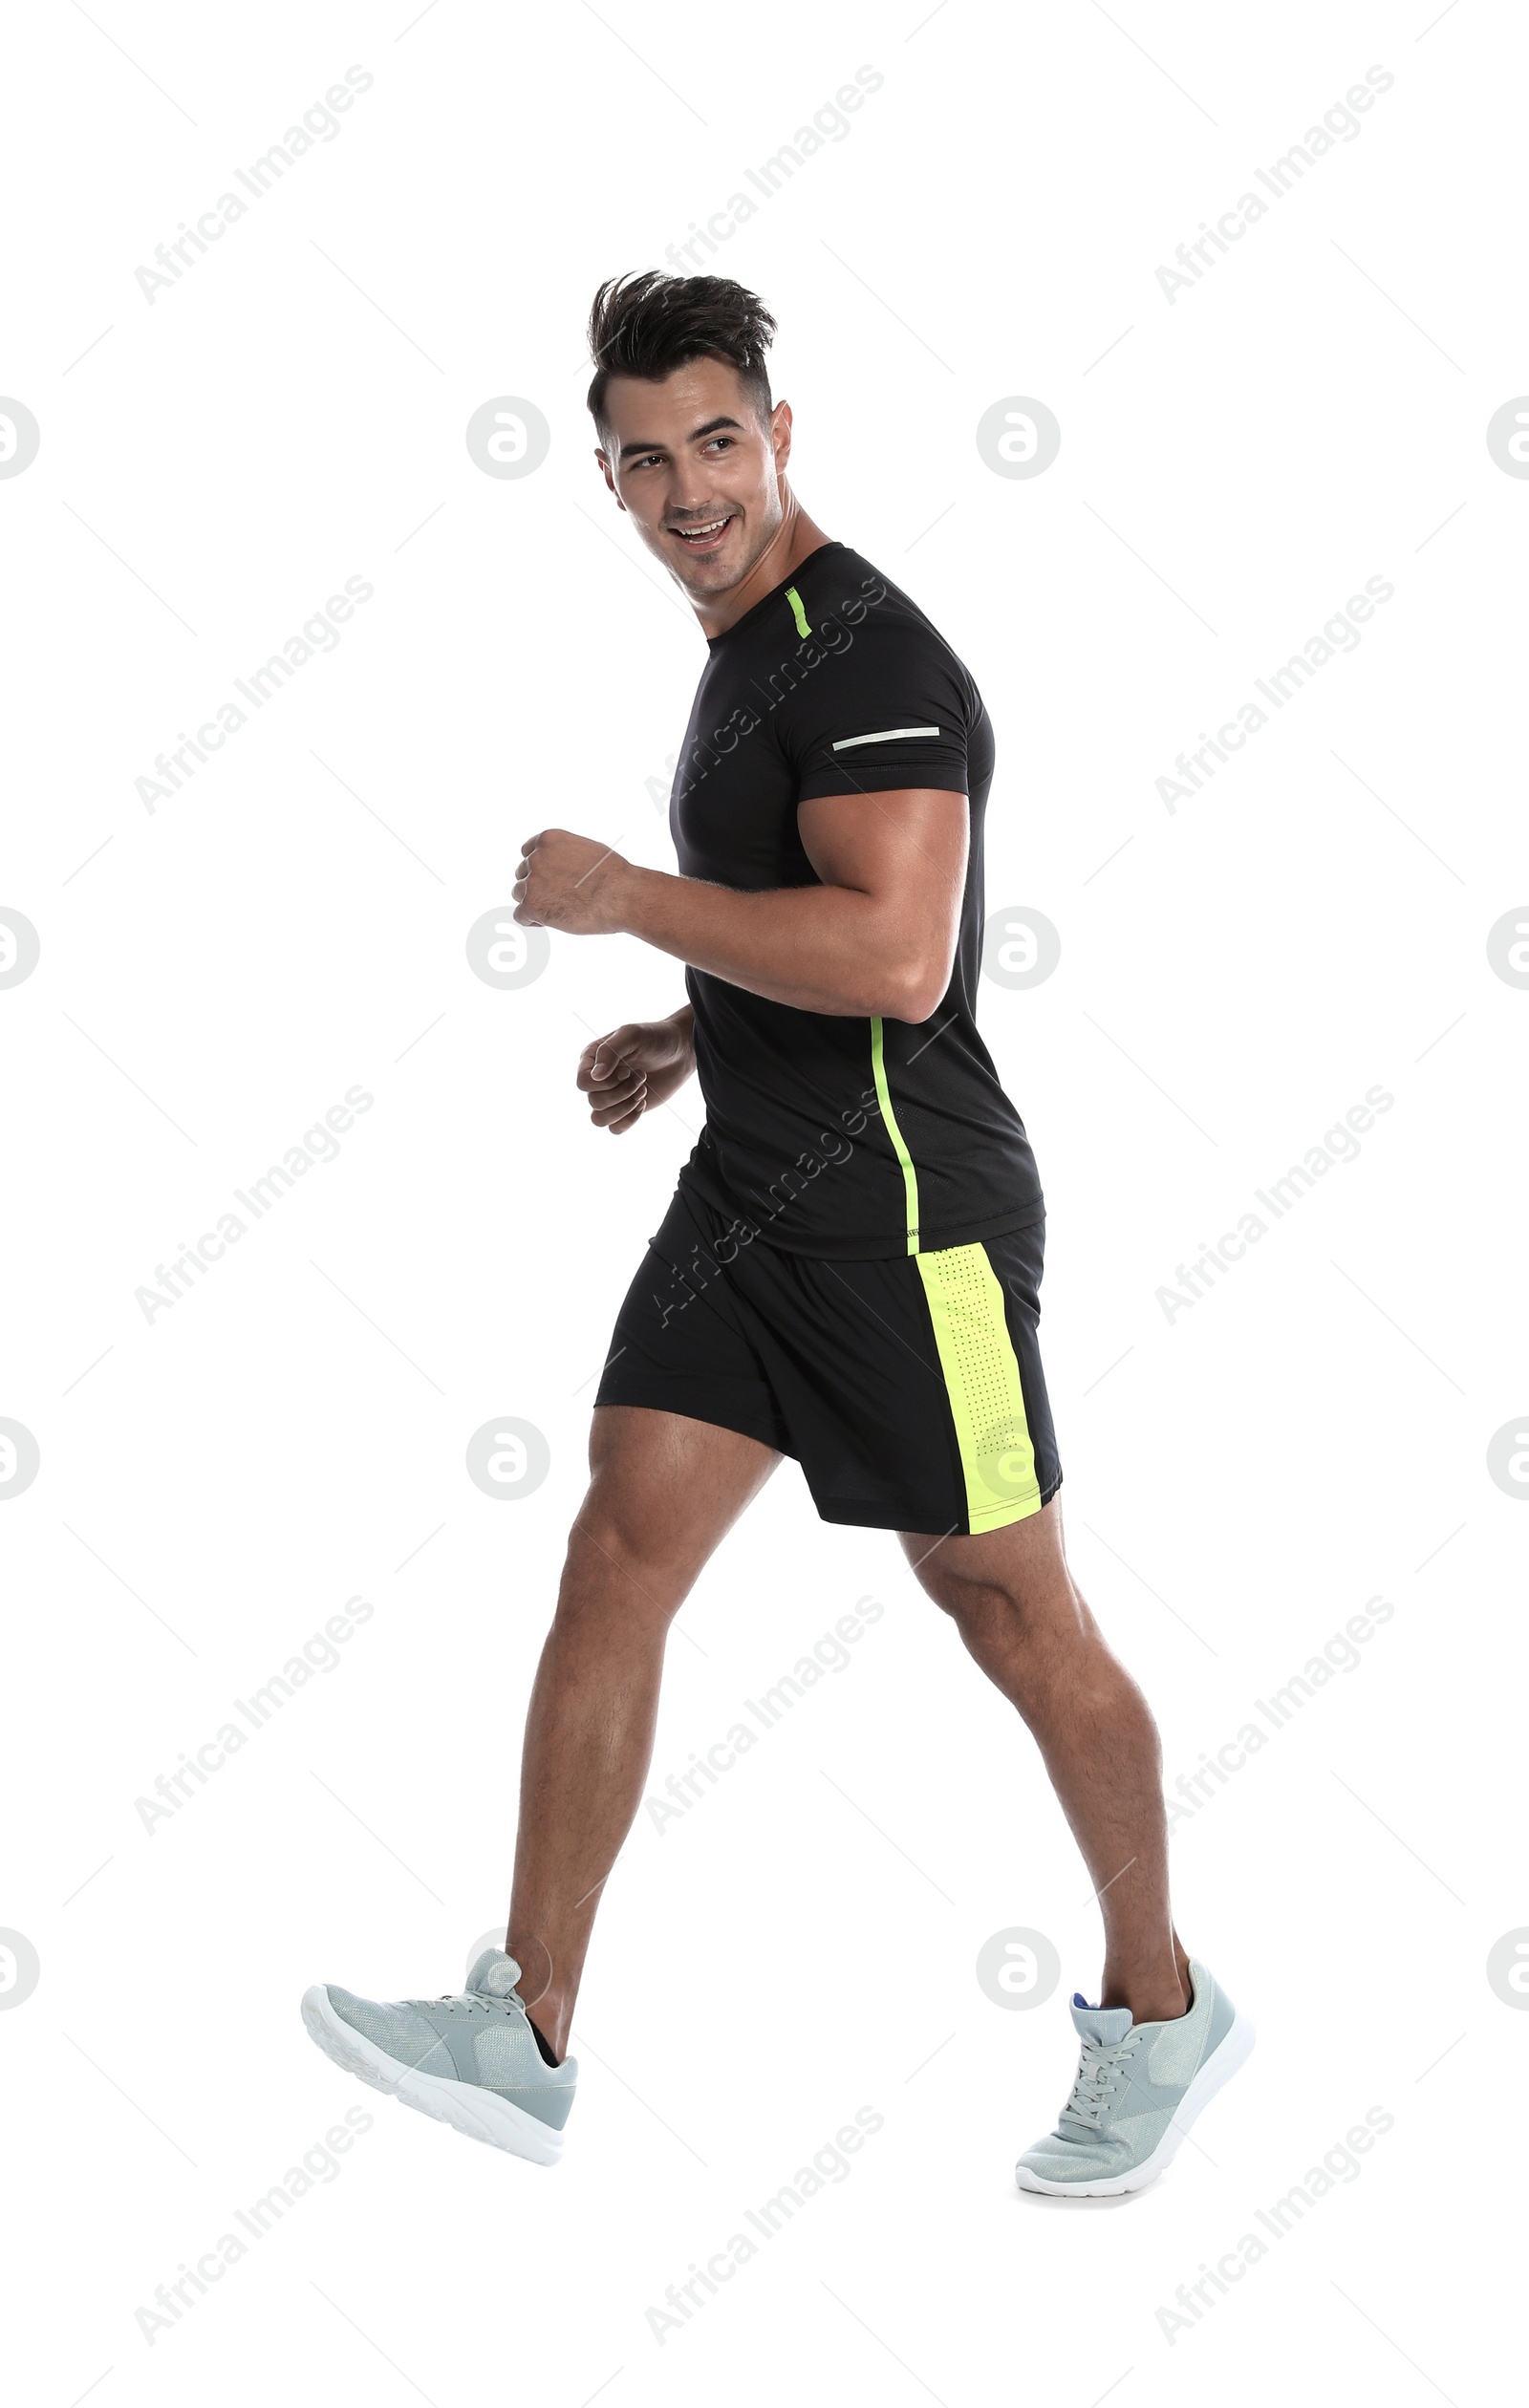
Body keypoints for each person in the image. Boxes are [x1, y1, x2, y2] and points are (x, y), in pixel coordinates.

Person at [302, 270, 1252, 2196]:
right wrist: (690, 1028)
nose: (685, 489)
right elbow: (809, 909)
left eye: (715, 444)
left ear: (778, 436)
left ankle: (1158, 2011)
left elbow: (898, 958)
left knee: (1001, 1607)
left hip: (913, 1227)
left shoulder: (867, 658)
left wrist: (636, 904)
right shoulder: (747, 641)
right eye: (643, 460)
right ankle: (527, 2023)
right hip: (754, 1191)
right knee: (616, 1544)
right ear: (608, 476)